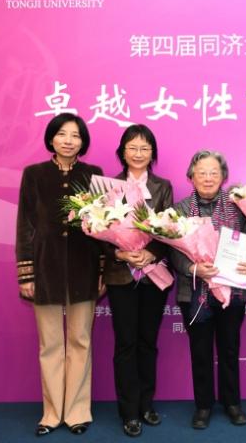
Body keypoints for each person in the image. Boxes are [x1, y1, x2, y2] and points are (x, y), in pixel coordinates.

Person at [16, 113, 104, 437]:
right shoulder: (34, 174)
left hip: (85, 268)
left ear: (83, 142)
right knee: (50, 344)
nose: (69, 140)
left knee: (80, 341)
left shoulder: (94, 175)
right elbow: (25, 224)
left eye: (76, 135)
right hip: (45, 269)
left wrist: (102, 269)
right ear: (51, 138)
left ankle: (77, 411)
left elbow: (104, 226)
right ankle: (52, 413)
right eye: (62, 134)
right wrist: (26, 273)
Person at [169, 150, 246, 430]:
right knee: (200, 351)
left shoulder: (239, 208)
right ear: (191, 177)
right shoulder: (180, 210)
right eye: (202, 173)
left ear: (223, 177)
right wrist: (193, 268)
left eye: (214, 173)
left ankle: (232, 403)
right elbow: (172, 251)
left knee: (230, 348)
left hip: (232, 291)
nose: (208, 178)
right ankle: (203, 405)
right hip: (194, 291)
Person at [102, 125, 173, 437]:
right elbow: (98, 227)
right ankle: (129, 411)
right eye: (132, 147)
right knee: (126, 343)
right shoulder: (109, 186)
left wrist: (150, 253)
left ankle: (146, 404)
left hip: (152, 275)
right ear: (122, 151)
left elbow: (169, 230)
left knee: (147, 342)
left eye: (145, 148)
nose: (139, 153)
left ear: (152, 153)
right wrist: (119, 253)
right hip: (121, 276)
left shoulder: (163, 186)